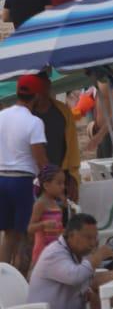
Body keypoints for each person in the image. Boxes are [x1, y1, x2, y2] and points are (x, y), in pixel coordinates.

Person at [0, 74, 49, 267]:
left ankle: (3, 282)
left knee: (8, 235)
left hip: (1, 178)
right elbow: (41, 160)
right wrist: (52, 183)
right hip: (21, 181)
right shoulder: (34, 122)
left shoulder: (2, 116)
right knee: (24, 235)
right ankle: (20, 282)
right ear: (37, 96)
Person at [27, 211, 113, 309]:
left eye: (95, 238)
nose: (93, 243)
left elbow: (90, 278)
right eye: (88, 238)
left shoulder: (78, 252)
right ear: (71, 235)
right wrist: (99, 255)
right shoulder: (54, 253)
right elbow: (75, 277)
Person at [27, 163, 69, 270]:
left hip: (55, 249)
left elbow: (58, 226)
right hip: (42, 250)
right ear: (46, 185)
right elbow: (30, 228)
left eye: (63, 183)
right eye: (59, 183)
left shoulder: (55, 203)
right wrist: (43, 224)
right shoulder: (40, 204)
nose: (63, 187)